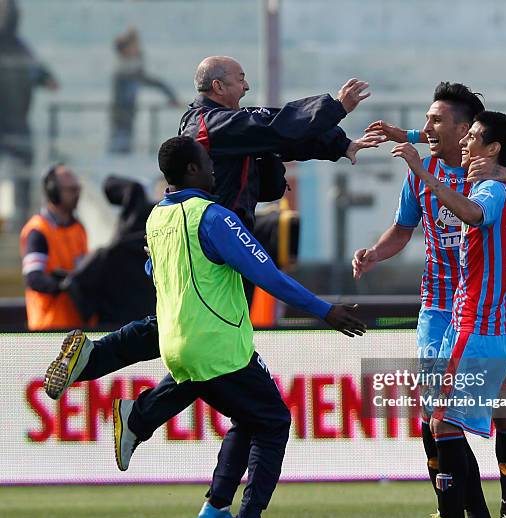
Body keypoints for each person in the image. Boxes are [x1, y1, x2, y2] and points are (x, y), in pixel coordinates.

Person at [43, 55, 376, 396]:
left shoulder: (219, 122)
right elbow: (272, 128)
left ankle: (107, 378)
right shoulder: (213, 124)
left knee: (188, 333)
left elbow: (277, 137)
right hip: (211, 242)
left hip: (198, 238)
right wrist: (334, 107)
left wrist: (341, 145)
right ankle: (126, 399)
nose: (247, 86)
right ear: (218, 86)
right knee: (219, 352)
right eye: (240, 79)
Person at [112, 135, 366, 518]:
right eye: (207, 163)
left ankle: (215, 504)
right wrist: (325, 310)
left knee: (249, 417)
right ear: (193, 170)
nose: (215, 170)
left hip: (177, 342)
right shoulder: (214, 217)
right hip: (216, 342)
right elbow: (267, 274)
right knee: (273, 420)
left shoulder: (157, 217)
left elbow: (152, 271)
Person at [354, 82, 506, 518]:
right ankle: (458, 515)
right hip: (442, 307)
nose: (427, 129)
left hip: (487, 310)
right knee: (436, 412)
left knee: (500, 411)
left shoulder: (499, 175)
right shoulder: (427, 171)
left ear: (467, 131)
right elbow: (403, 230)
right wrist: (375, 255)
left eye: (436, 121)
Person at [390, 111, 506, 518]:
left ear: (493, 148)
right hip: (479, 321)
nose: (464, 144)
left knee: (442, 421)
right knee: (449, 418)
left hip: (478, 325)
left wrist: (418, 169)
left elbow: (471, 213)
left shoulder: (494, 187)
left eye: (473, 138)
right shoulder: (497, 182)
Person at [63, 176, 157, 328]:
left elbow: (76, 285)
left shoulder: (107, 255)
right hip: (152, 333)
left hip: (112, 334)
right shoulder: (159, 251)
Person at [0, 0, 58, 230]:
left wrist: (46, 78)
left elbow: (39, 72)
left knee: (23, 175)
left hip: (17, 123)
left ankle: (22, 221)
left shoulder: (20, 48)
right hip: (9, 123)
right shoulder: (17, 48)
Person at [19, 164, 88, 330]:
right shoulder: (38, 230)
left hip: (77, 328)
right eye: (71, 190)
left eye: (77, 188)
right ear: (53, 192)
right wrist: (63, 285)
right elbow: (34, 278)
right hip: (48, 327)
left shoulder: (78, 228)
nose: (77, 194)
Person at [109, 28, 180, 154]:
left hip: (127, 115)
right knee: (120, 145)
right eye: (134, 46)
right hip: (121, 117)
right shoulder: (124, 71)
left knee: (123, 145)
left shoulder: (131, 69)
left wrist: (171, 96)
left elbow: (155, 83)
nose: (138, 50)